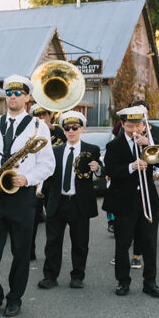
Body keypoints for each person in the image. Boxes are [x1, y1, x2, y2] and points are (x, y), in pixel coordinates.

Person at [0, 74, 55, 317]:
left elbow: (48, 165)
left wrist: (27, 179)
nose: (12, 97)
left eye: (18, 93)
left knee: (21, 250)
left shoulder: (38, 127)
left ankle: (14, 297)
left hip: (21, 195)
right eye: (9, 93)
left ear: (27, 97)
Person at [102, 105, 159, 297]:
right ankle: (123, 281)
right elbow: (111, 171)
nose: (134, 130)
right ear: (122, 124)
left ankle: (150, 282)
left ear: (144, 125)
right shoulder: (114, 146)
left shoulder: (150, 141)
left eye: (138, 125)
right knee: (122, 244)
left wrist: (147, 145)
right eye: (130, 126)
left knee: (149, 243)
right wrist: (131, 166)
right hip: (124, 201)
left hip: (148, 201)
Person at [38, 110, 102, 289]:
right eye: (67, 128)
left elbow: (100, 171)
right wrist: (46, 198)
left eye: (75, 127)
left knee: (80, 243)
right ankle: (50, 276)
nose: (71, 131)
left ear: (82, 129)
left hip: (79, 203)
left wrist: (97, 168)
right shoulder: (55, 151)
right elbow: (48, 178)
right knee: (52, 242)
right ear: (63, 131)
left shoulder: (92, 150)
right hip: (58, 202)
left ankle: (77, 276)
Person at [30, 105, 66, 260]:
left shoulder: (59, 132)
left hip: (55, 181)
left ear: (49, 115)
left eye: (43, 114)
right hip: (38, 180)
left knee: (53, 218)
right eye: (37, 115)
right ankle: (29, 250)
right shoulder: (32, 133)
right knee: (33, 218)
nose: (41, 117)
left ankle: (51, 254)